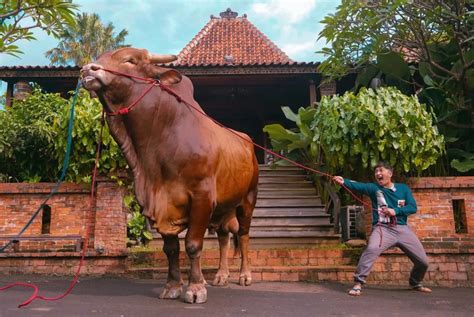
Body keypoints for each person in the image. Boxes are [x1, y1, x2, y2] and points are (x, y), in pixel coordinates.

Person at [333, 161, 431, 296]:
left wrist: (395, 211)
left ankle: (415, 282)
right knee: (371, 249)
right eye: (376, 172)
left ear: (390, 174)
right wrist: (344, 181)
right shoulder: (374, 189)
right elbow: (358, 185)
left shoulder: (403, 189)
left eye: (381, 171)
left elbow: (412, 207)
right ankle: (358, 283)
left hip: (402, 229)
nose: (378, 174)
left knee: (423, 262)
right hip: (382, 229)